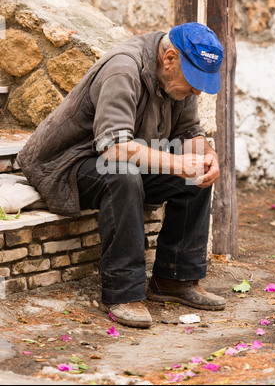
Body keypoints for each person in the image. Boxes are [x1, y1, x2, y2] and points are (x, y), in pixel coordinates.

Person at [17, 22, 226, 329]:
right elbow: (113, 149)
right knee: (122, 175)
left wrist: (206, 157)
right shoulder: (123, 69)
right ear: (169, 58)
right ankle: (122, 293)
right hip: (67, 163)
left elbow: (189, 132)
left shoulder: (178, 77)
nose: (196, 89)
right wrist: (178, 164)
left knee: (195, 176)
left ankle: (174, 279)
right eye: (194, 80)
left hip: (127, 156)